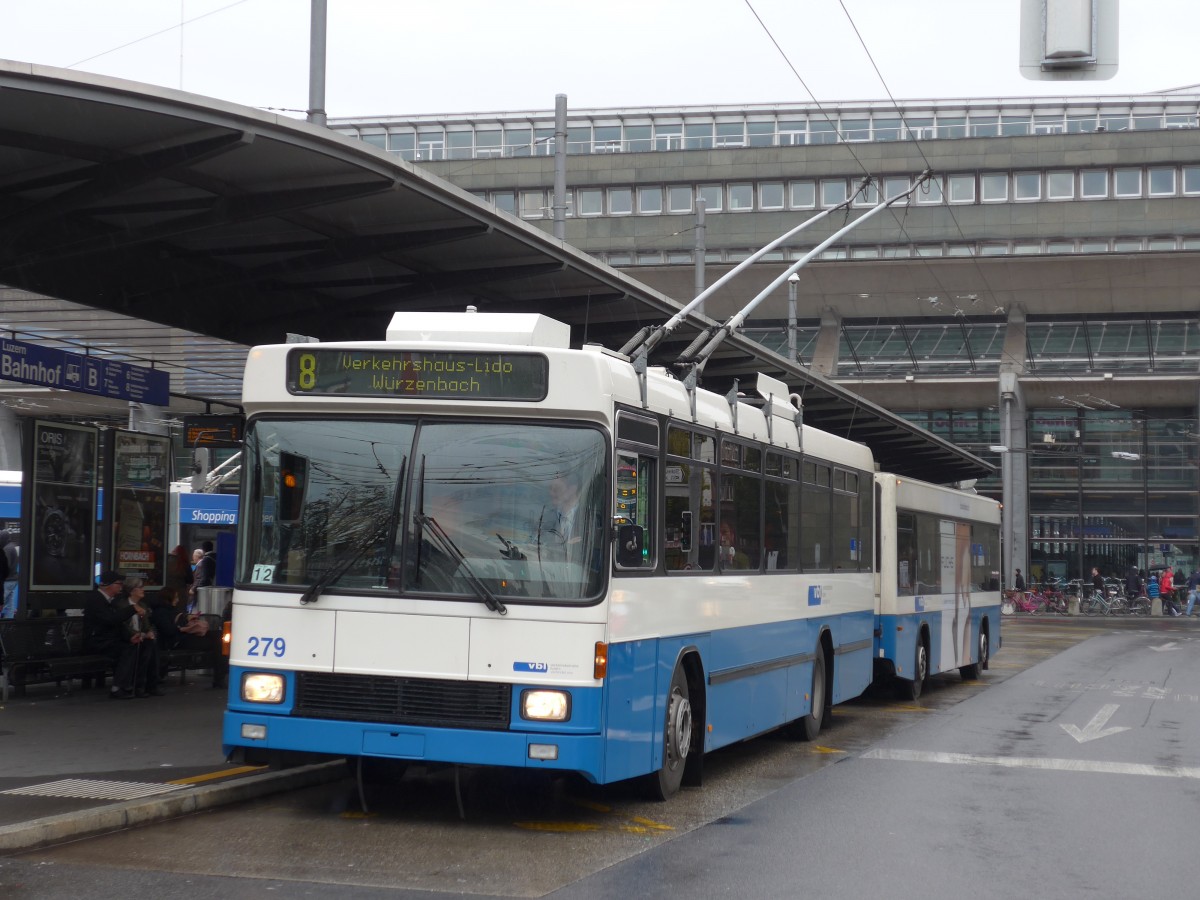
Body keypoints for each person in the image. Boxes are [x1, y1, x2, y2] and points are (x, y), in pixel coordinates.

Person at [82, 570, 147, 699]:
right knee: (126, 649)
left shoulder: (110, 600)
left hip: (107, 640)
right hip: (96, 641)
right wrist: (132, 609)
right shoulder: (96, 600)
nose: (121, 587)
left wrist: (130, 636)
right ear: (108, 585)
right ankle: (118, 687)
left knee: (136, 645)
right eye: (118, 584)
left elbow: (117, 624)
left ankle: (128, 684)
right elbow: (110, 619)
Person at [119, 576, 164, 696]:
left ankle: (149, 685)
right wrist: (137, 634)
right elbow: (122, 625)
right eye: (140, 588)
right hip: (127, 637)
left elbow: (146, 625)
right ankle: (140, 686)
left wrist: (148, 632)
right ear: (132, 590)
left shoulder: (143, 605)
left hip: (141, 636)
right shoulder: (122, 605)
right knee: (146, 648)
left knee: (151, 646)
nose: (143, 590)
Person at [0, 529, 17, 618]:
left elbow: (6, 566)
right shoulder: (12, 546)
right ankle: (8, 626)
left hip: (7, 580)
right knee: (9, 606)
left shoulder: (7, 549)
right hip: (13, 580)